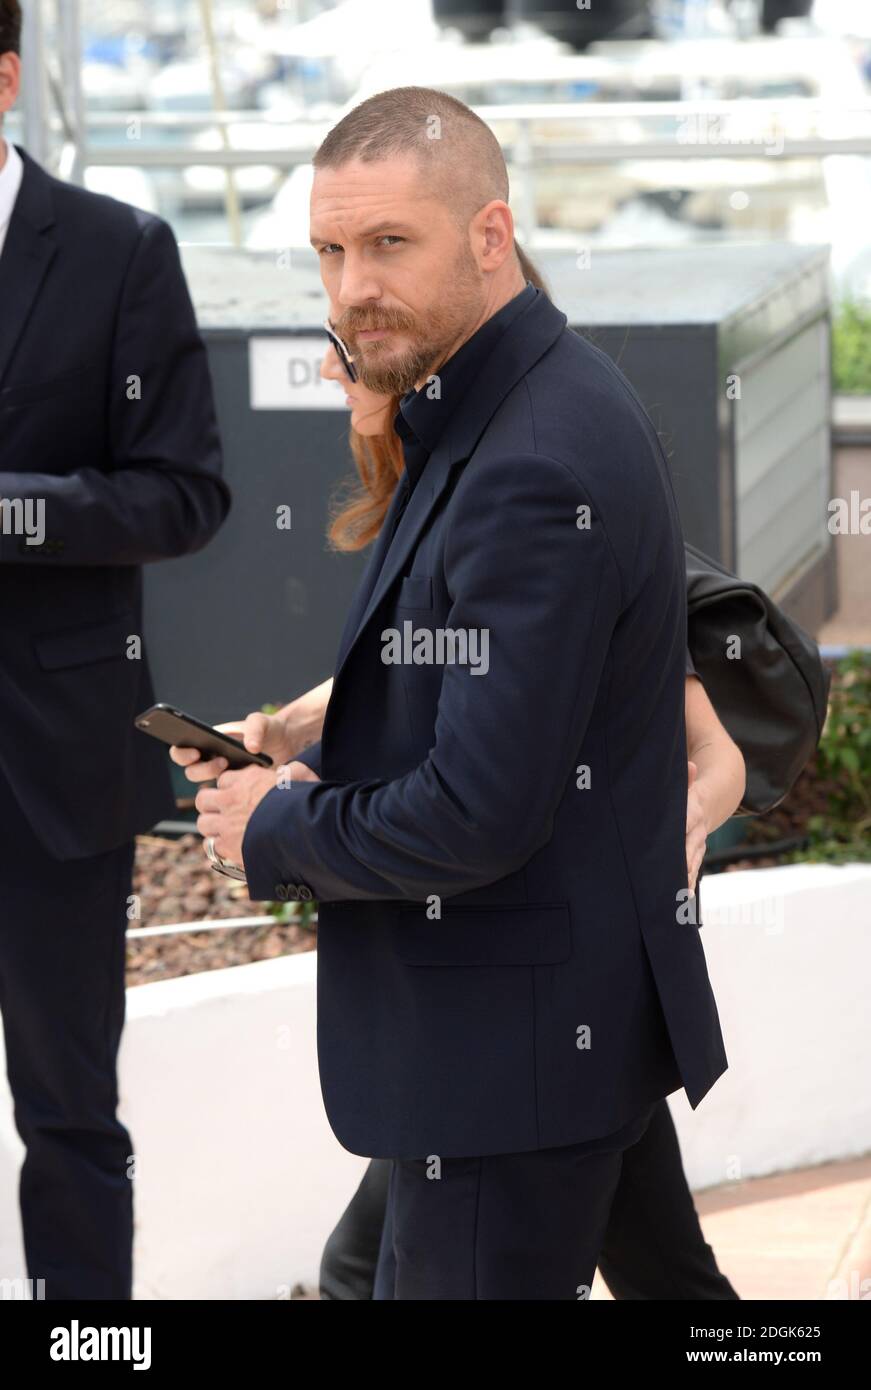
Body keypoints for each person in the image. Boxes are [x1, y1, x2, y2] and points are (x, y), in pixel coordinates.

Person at [175, 85, 736, 1300]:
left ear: (489, 236)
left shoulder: (527, 458)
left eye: (388, 244)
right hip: (558, 1014)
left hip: (511, 1052)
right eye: (328, 251)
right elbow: (472, 705)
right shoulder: (504, 409)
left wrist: (279, 825)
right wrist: (302, 756)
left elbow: (482, 808)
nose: (350, 288)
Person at [0, 1, 230, 1298]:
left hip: (50, 768)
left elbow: (184, 493)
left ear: (9, 76)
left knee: (69, 1109)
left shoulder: (116, 253)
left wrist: (15, 509)